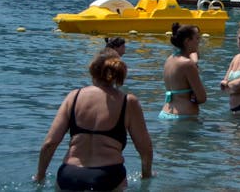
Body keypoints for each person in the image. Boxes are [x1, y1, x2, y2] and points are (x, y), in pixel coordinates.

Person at [36, 51, 153, 189]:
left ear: (92, 71)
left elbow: (49, 144)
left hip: (69, 174)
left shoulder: (73, 97)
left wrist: (40, 176)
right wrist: (146, 176)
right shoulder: (128, 102)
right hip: (108, 175)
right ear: (118, 72)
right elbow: (145, 150)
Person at [159, 23, 205, 120]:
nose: (199, 42)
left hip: (165, 112)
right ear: (187, 41)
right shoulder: (188, 64)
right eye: (197, 39)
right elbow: (202, 98)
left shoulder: (169, 60)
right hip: (183, 116)